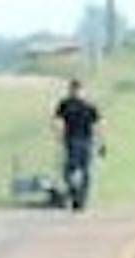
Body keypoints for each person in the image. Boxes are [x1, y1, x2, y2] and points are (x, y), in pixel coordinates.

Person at [54, 79, 104, 212]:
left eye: (77, 90)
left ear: (82, 90)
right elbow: (57, 121)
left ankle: (81, 199)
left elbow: (98, 124)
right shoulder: (65, 104)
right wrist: (58, 135)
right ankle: (75, 193)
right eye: (73, 89)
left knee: (85, 170)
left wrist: (101, 142)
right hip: (71, 140)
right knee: (69, 171)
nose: (75, 92)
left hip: (86, 140)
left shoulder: (89, 106)